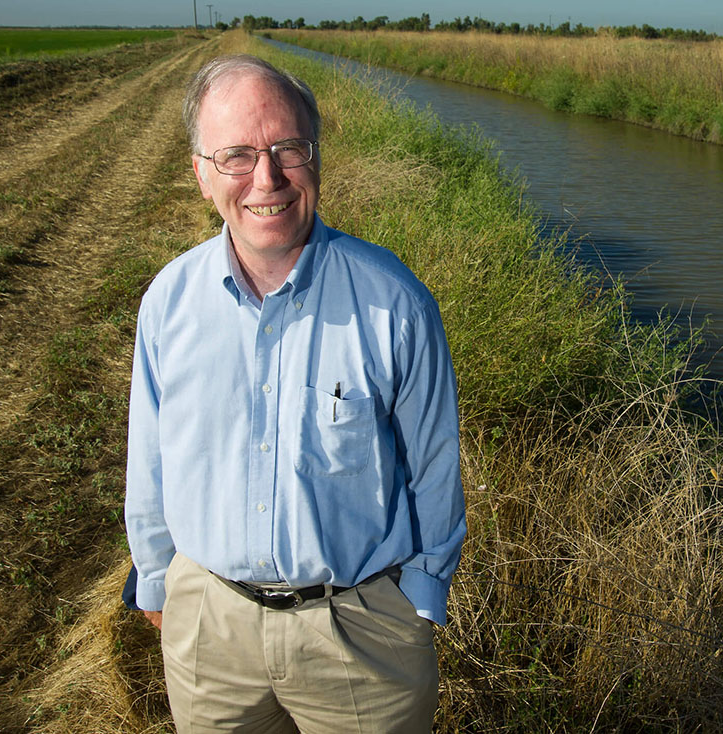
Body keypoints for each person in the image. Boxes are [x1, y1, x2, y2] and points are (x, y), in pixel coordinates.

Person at [124, 53, 465, 733]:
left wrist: (420, 600)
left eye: (288, 149)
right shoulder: (170, 301)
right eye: (237, 156)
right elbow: (150, 455)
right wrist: (161, 580)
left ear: (317, 157)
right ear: (200, 173)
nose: (267, 178)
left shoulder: (394, 302)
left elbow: (434, 465)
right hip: (209, 634)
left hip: (361, 639)